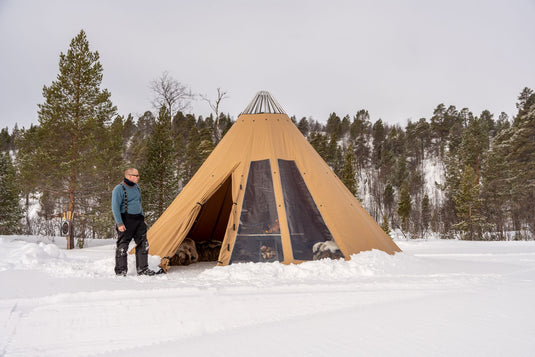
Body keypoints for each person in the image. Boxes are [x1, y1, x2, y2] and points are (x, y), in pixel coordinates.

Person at [112, 168, 157, 276]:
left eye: (138, 175)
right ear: (129, 176)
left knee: (143, 243)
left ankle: (143, 269)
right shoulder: (119, 189)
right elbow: (115, 207)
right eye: (136, 175)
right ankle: (121, 270)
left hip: (138, 220)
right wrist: (119, 223)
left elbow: (139, 203)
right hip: (126, 220)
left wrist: (142, 218)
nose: (138, 177)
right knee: (123, 245)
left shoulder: (137, 187)